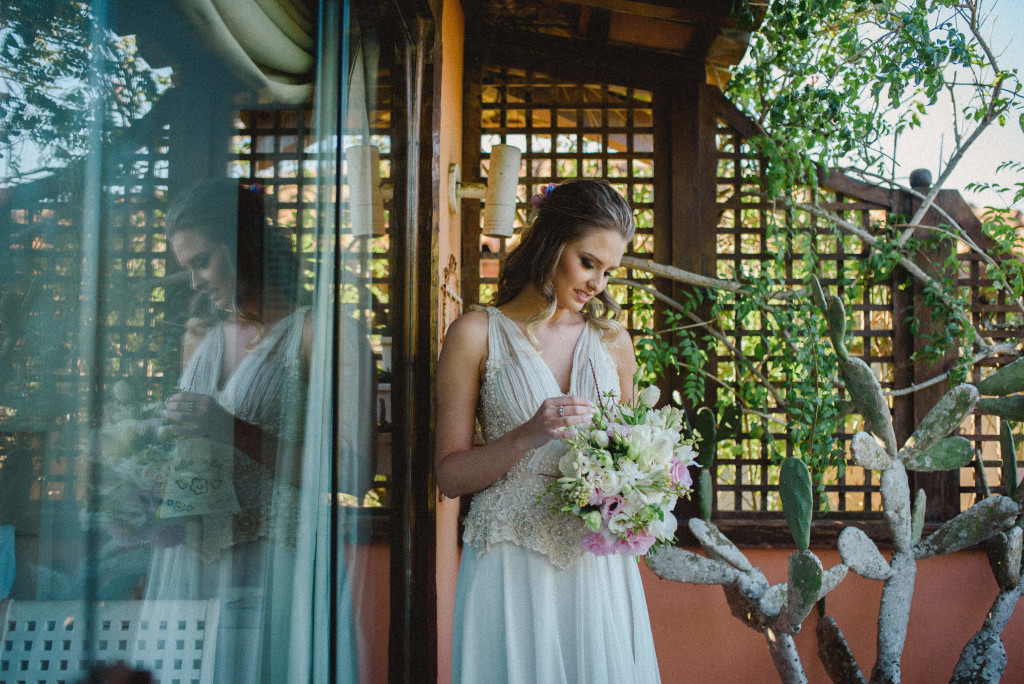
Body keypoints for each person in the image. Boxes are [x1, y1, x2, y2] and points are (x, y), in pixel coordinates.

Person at [436, 178, 661, 683]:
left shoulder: (613, 342)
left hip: (596, 570)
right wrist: (525, 435)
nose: (597, 285)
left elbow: (630, 461)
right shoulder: (475, 334)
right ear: (550, 243)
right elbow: (449, 476)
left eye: (609, 272)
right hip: (509, 566)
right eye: (588, 262)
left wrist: (641, 492)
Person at [148, 180, 313, 682]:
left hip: (269, 554)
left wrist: (230, 428)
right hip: (192, 552)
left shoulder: (310, 333)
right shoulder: (201, 336)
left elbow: (344, 474)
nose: (194, 281)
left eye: (202, 262)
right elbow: (186, 442)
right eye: (187, 268)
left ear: (243, 246)